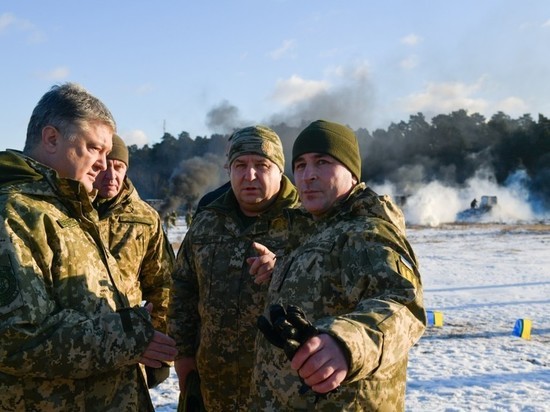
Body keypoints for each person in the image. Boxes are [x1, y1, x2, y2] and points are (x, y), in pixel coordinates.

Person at [0, 83, 177, 411]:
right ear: (51, 138)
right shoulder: (14, 213)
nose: (103, 163)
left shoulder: (70, 208)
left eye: (108, 153)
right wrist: (129, 335)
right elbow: (16, 338)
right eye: (94, 148)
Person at [250, 119, 426, 411]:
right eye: (302, 165)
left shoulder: (365, 232)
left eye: (322, 162)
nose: (308, 176)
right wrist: (280, 269)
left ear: (352, 173)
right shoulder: (314, 230)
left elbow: (403, 305)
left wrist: (347, 343)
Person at [167, 125, 300, 410]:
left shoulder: (305, 222)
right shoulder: (208, 220)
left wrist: (286, 269)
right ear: (229, 170)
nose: (249, 175)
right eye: (240, 165)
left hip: (282, 388)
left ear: (280, 170)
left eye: (261, 165)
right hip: (213, 385)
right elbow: (183, 290)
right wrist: (183, 354)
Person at [93, 134, 176, 387]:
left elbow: (163, 286)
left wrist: (162, 354)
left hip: (131, 344)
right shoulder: (69, 212)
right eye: (104, 165)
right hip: (80, 342)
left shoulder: (144, 218)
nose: (111, 174)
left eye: (119, 166)